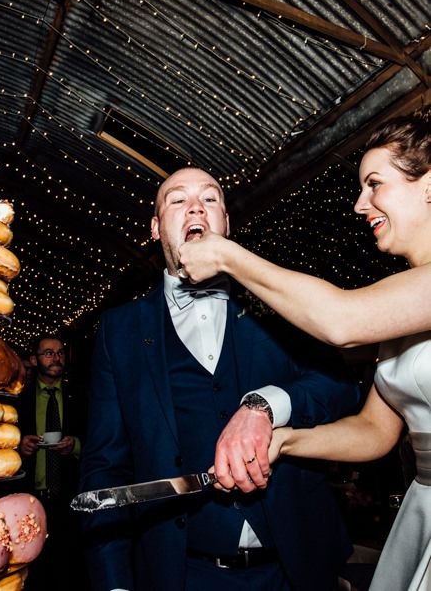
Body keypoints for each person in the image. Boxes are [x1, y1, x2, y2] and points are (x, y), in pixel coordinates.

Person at [178, 114, 431, 590]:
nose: (360, 205)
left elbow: (342, 322)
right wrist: (285, 440)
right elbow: (374, 432)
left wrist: (229, 256)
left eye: (374, 184)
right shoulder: (398, 301)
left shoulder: (383, 306)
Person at [78, 167, 361, 591]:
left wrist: (268, 405)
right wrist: (115, 584)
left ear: (225, 224)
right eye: (177, 200)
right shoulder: (118, 330)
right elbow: (105, 467)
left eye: (211, 199)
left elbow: (342, 387)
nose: (196, 206)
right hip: (184, 575)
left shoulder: (280, 298)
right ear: (156, 229)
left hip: (296, 569)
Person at [17, 335, 86, 590]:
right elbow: (1, 440)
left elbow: (98, 438)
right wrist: (19, 447)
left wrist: (75, 445)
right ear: (34, 360)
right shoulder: (18, 397)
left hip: (68, 499)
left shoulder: (80, 395)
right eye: (48, 353)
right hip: (28, 498)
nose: (56, 358)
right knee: (30, 571)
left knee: (67, 568)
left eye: (60, 352)